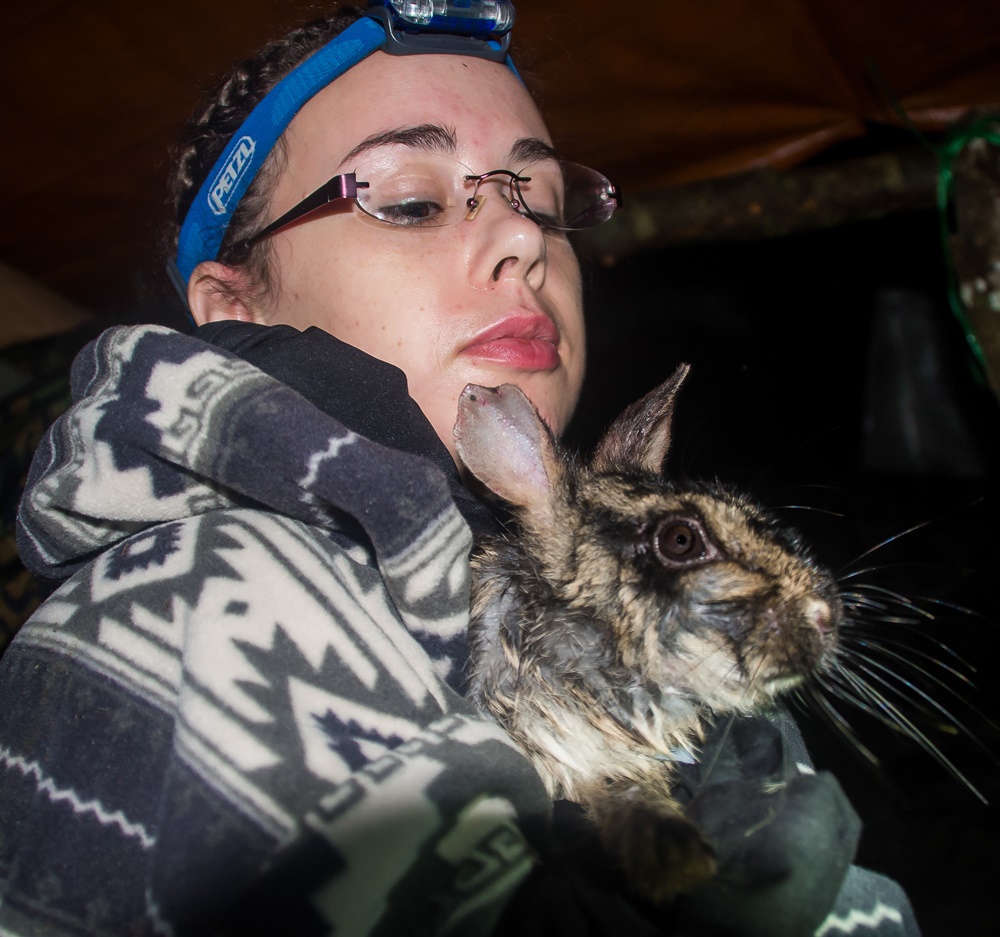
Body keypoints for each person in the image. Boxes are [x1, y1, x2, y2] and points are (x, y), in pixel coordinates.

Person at [0, 4, 919, 935]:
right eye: (410, 201)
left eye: (543, 202)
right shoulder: (195, 598)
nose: (525, 240)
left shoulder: (653, 655)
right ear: (231, 304)